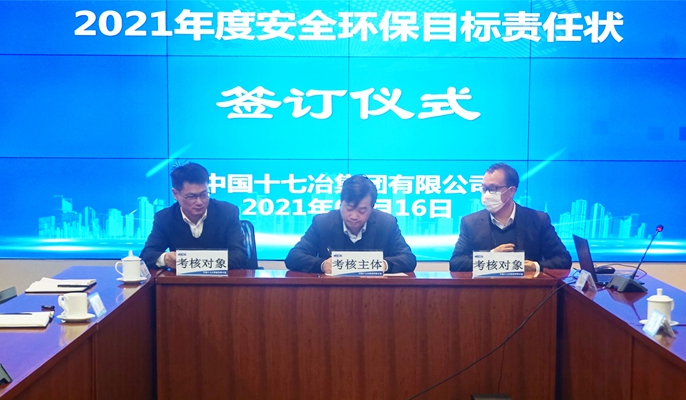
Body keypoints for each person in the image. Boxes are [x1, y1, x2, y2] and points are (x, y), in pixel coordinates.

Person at [450, 163, 571, 272]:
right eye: (484, 188)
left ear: (511, 191)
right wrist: (490, 257)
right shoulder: (470, 222)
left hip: (527, 288)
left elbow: (563, 259)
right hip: (484, 288)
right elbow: (456, 263)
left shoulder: (538, 220)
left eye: (492, 189)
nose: (486, 194)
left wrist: (535, 266)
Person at [285, 175, 417, 274]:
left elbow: (408, 259)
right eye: (349, 208)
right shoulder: (322, 223)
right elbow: (293, 257)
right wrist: (322, 265)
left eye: (362, 210)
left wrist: (383, 265)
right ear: (341, 203)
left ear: (372, 207)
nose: (354, 216)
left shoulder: (387, 224)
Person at [140, 162, 250, 269]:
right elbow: (147, 255)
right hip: (180, 281)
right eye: (191, 196)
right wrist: (165, 258)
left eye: (204, 195)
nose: (199, 202)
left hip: (222, 280)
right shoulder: (164, 218)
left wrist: (192, 263)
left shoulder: (227, 212)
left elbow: (239, 255)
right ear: (175, 194)